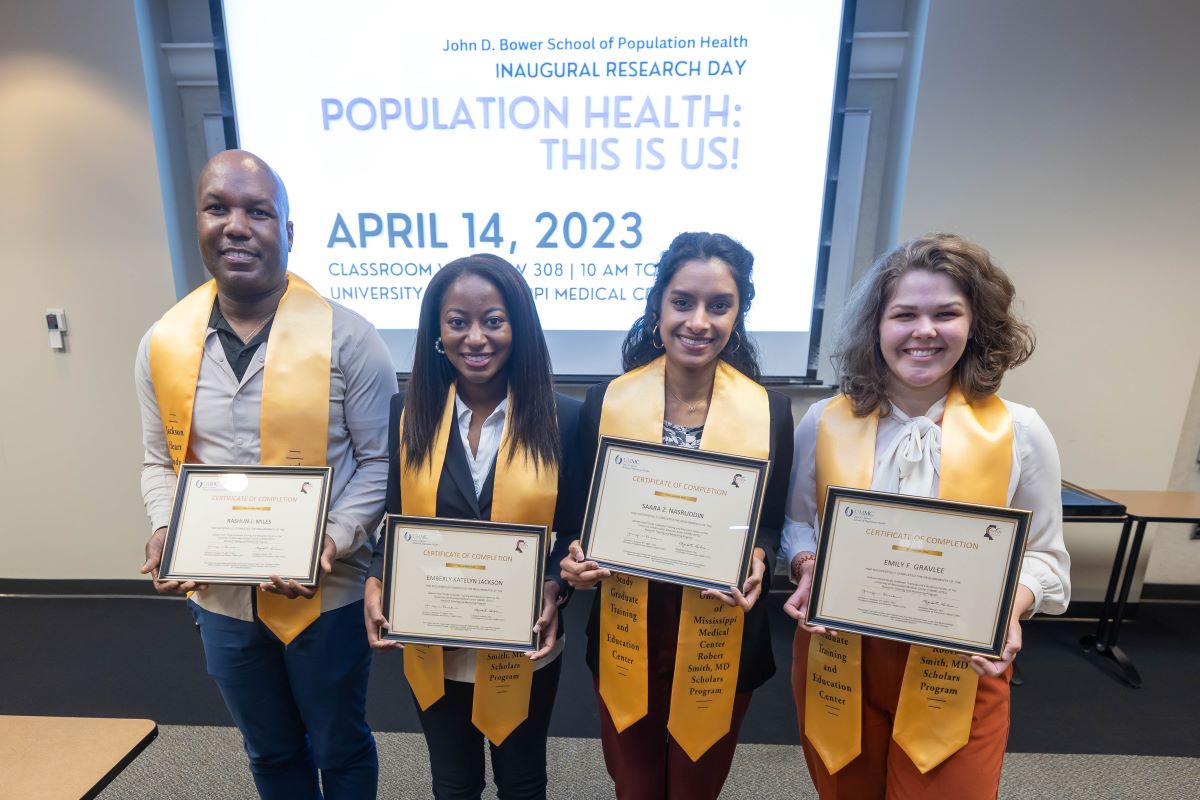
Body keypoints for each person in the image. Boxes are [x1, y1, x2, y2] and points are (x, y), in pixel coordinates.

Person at [136, 150, 396, 799]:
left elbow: (378, 463)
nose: (236, 226)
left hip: (325, 592)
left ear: (287, 230)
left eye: (258, 211)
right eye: (217, 208)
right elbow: (157, 461)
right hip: (221, 597)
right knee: (270, 751)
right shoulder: (162, 343)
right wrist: (166, 526)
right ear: (197, 221)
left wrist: (330, 539)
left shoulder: (350, 339)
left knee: (340, 746)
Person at [781, 234, 1071, 798]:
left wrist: (1011, 607)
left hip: (958, 667)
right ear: (877, 326)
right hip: (839, 654)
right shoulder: (822, 420)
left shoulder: (1020, 430)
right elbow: (799, 524)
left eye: (946, 314)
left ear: (976, 324)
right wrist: (807, 565)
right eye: (904, 314)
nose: (924, 331)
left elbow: (1045, 554)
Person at [560, 232, 794, 799]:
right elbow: (576, 517)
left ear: (738, 314)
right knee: (635, 786)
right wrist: (574, 557)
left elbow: (771, 521)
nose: (699, 321)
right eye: (683, 302)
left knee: (696, 787)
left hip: (720, 626)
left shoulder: (770, 411)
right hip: (629, 622)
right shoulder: (607, 401)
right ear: (659, 305)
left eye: (720, 306)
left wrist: (759, 554)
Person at [363, 254, 581, 800]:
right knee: (453, 780)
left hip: (524, 637)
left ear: (519, 328)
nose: (475, 337)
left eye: (494, 320)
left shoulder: (567, 418)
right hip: (435, 635)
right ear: (437, 332)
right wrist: (374, 574)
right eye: (458, 321)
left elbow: (575, 529)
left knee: (523, 779)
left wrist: (557, 584)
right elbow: (397, 518)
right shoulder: (407, 412)